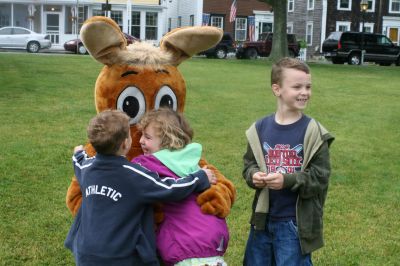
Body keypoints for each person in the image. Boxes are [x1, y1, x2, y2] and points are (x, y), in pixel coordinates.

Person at [64, 109, 216, 266]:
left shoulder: (87, 169)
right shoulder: (134, 175)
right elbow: (169, 188)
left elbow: (78, 162)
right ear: (125, 143)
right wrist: (199, 178)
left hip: (85, 253)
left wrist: (79, 152)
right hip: (120, 258)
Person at [242, 57, 334, 266]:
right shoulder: (259, 129)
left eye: (308, 86)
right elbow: (249, 164)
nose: (305, 92)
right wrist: (253, 175)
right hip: (262, 220)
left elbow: (320, 178)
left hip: (294, 223)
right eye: (297, 87)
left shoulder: (314, 132)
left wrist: (288, 180)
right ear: (277, 89)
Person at [131, 108, 229, 266]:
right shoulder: (191, 161)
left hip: (184, 246)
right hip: (213, 239)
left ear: (167, 139)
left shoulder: (146, 164)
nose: (141, 140)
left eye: (147, 137)